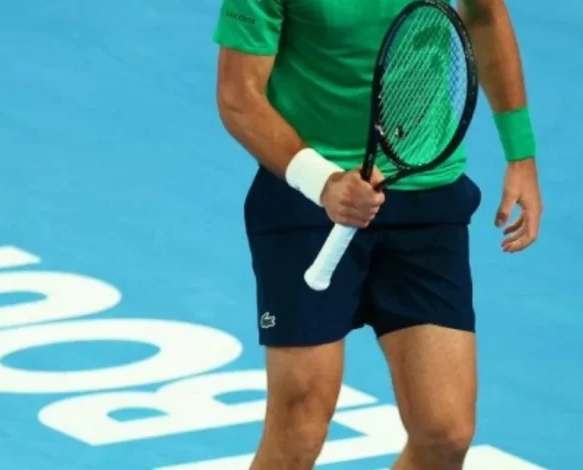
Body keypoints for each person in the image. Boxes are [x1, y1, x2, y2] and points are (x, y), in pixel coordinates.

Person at [213, 0, 542, 468]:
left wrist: (520, 153)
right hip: (307, 197)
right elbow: (238, 96)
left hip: (427, 196)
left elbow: (485, 14)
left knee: (444, 433)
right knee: (299, 428)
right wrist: (324, 182)